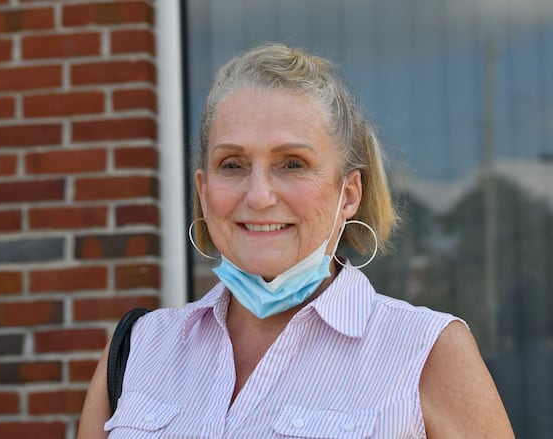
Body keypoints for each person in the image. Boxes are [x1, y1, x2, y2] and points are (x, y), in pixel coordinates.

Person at [78, 43, 514, 438]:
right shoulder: (138, 350)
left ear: (349, 194)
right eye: (232, 164)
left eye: (292, 164)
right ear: (203, 190)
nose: (259, 196)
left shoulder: (426, 351)